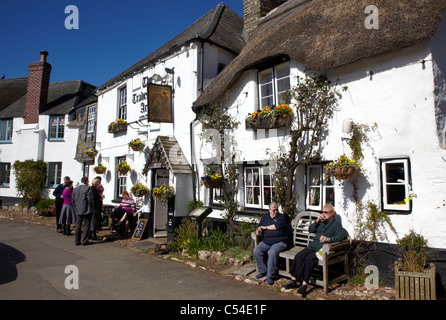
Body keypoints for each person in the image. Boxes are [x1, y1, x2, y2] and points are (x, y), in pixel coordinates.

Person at [282, 203, 344, 296]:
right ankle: (294, 280)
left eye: (326, 212)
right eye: (322, 212)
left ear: (332, 213)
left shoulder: (336, 224)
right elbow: (311, 230)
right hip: (313, 246)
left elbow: (340, 236)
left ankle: (304, 284)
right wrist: (317, 221)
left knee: (309, 259)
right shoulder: (321, 222)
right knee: (299, 256)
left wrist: (328, 239)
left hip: (323, 249)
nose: (323, 214)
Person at [253, 202, 292, 285]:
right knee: (257, 250)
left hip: (280, 241)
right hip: (267, 241)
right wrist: (259, 230)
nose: (276, 212)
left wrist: (266, 227)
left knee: (272, 252)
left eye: (277, 210)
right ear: (269, 210)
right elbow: (260, 226)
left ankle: (270, 276)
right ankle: (262, 271)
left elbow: (276, 226)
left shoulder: (281, 217)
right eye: (274, 210)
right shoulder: (265, 217)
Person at [72, 177, 93, 246]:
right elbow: (90, 199)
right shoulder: (87, 189)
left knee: (78, 224)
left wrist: (76, 207)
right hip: (86, 209)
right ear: (86, 181)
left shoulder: (75, 189)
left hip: (78, 208)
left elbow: (73, 200)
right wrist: (91, 207)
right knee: (86, 225)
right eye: (88, 181)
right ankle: (84, 240)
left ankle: (77, 240)